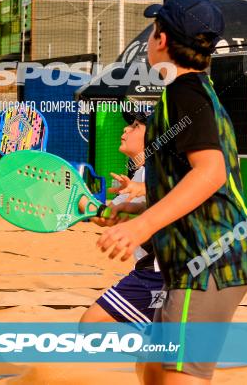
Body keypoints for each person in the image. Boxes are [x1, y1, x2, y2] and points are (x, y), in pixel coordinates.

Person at [97, 0, 247, 384]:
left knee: (176, 375)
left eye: (155, 27)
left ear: (162, 39)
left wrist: (143, 226)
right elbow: (193, 182)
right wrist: (139, 211)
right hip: (199, 260)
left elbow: (211, 173)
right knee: (152, 370)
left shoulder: (184, 93)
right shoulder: (190, 93)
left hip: (207, 262)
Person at [81, 107, 162, 330]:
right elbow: (109, 218)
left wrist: (80, 203)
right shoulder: (141, 173)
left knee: (91, 324)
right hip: (157, 269)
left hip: (160, 271)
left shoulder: (154, 172)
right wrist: (86, 206)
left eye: (136, 125)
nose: (126, 128)